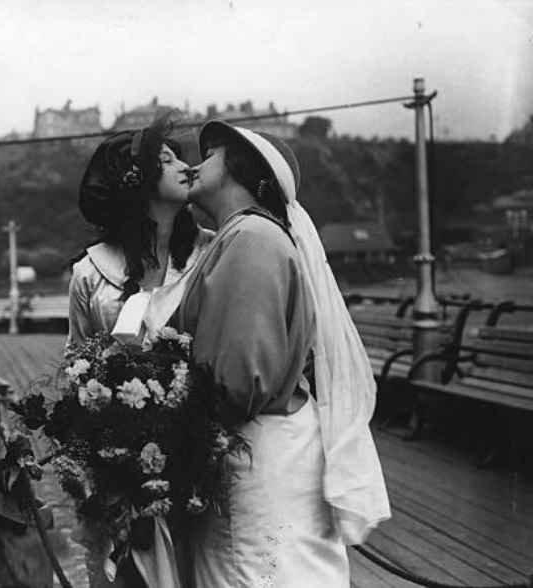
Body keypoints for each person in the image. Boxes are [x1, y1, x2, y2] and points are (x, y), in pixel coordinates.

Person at [175, 121, 391, 587]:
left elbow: (235, 382)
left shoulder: (250, 240)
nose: (195, 164)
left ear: (237, 165)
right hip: (274, 446)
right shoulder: (251, 236)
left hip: (257, 453)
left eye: (209, 155)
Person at [68, 117, 214, 587]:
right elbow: (78, 365)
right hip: (123, 459)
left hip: (201, 452)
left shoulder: (212, 253)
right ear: (137, 185)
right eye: (166, 160)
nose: (185, 166)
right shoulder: (90, 274)